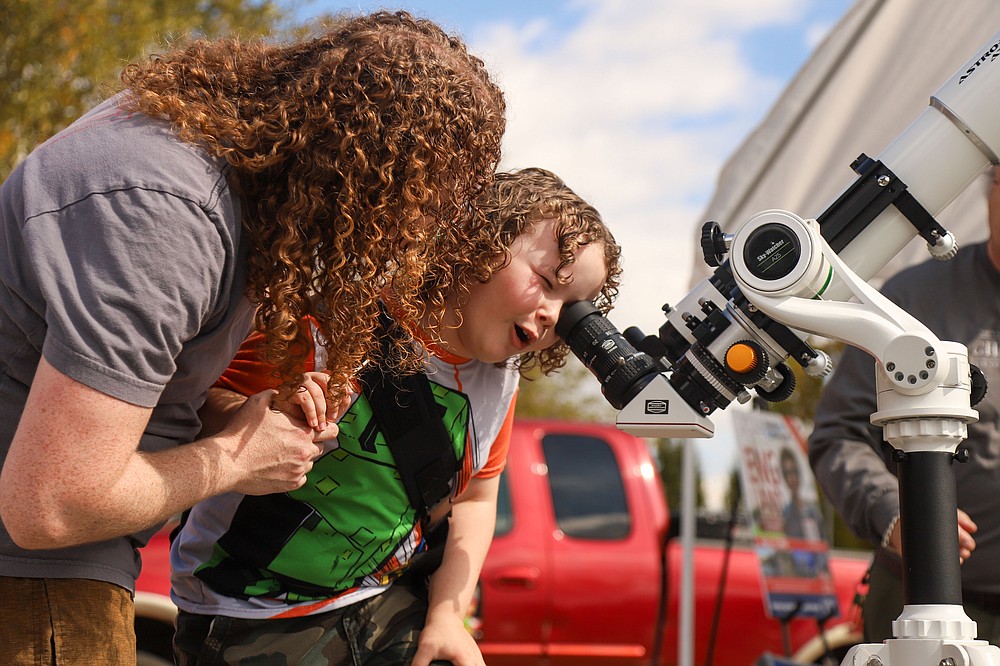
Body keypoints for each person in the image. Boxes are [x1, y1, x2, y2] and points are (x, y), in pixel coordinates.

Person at [0, 11, 505, 664]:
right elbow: (51, 505)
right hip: (32, 570)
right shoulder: (167, 212)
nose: (409, 241)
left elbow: (126, 397)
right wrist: (236, 461)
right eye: (417, 206)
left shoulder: (221, 187)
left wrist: (234, 419)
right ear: (367, 172)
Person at [169, 167, 623, 666]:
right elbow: (207, 406)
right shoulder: (333, 313)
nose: (553, 315)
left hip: (381, 603)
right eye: (545, 281)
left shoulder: (500, 383)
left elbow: (474, 498)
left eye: (573, 308)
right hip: (253, 610)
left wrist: (448, 614)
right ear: (477, 242)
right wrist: (271, 412)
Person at [808, 166, 1000, 644]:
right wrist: (896, 512)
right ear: (990, 187)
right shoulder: (914, 301)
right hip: (925, 614)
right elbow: (840, 434)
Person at [779, 446, 823, 541]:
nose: (793, 479)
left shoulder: (813, 512)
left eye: (794, 471)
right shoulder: (785, 513)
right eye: (788, 473)